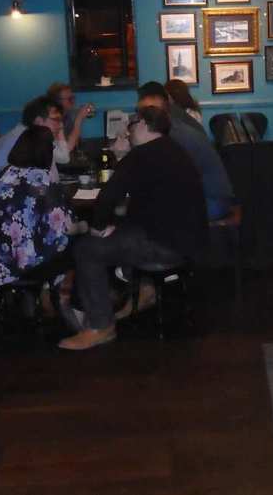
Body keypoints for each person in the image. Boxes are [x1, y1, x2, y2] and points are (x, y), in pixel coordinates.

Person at [58, 105, 207, 350]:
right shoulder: (174, 149)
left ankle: (100, 326)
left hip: (165, 245)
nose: (127, 131)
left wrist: (97, 228)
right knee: (115, 235)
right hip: (190, 241)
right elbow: (151, 204)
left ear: (144, 125)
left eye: (131, 125)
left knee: (87, 249)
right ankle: (140, 290)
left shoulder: (141, 155)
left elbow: (108, 197)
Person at [0, 126, 86, 317]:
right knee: (83, 246)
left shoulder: (0, 175)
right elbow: (64, 228)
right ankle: (76, 308)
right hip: (26, 263)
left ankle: (41, 296)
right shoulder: (42, 180)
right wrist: (85, 227)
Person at [135, 82, 233, 220]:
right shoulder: (175, 122)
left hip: (213, 201)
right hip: (213, 196)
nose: (141, 119)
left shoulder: (174, 133)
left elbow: (174, 178)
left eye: (144, 114)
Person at [46, 82, 94, 154]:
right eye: (69, 99)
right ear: (57, 101)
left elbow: (75, 141)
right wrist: (79, 118)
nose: (73, 101)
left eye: (73, 98)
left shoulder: (68, 114)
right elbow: (65, 150)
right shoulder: (50, 121)